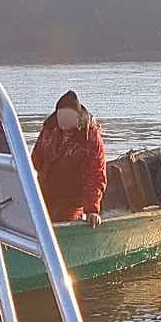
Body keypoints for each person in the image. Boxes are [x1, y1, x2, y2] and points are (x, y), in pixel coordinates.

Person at [31, 90, 107, 227]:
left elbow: (95, 175)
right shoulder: (50, 130)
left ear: (77, 117)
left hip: (73, 200)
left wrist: (92, 210)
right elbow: (34, 161)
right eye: (61, 115)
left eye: (68, 115)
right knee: (32, 218)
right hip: (46, 192)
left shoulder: (90, 138)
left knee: (63, 220)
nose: (64, 119)